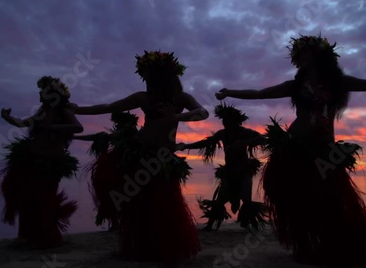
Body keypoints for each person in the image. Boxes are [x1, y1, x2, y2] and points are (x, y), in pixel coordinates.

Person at [215, 34, 366, 266]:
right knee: (297, 198)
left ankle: (334, 244)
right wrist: (229, 92)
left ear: (320, 56)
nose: (303, 59)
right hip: (296, 147)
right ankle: (305, 242)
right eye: (300, 56)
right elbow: (259, 93)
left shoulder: (338, 82)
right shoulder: (295, 86)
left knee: (330, 199)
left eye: (307, 54)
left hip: (325, 148)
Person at [69, 51, 208, 265]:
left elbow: (203, 113)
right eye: (146, 77)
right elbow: (108, 107)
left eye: (151, 77)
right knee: (139, 205)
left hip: (163, 158)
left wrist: (177, 116)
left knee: (163, 205)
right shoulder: (143, 98)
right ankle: (140, 247)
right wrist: (80, 110)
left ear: (165, 76)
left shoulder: (181, 98)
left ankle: (161, 247)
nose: (148, 81)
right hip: (140, 154)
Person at [0, 76, 84, 248]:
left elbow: (78, 127)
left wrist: (53, 128)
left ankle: (44, 237)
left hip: (50, 161)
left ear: (51, 93)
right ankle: (27, 236)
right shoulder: (41, 112)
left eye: (43, 90)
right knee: (27, 197)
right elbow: (23, 123)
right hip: (32, 159)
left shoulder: (63, 112)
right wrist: (6, 117)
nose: (39, 93)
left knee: (44, 198)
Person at [177, 103, 266, 231]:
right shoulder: (222, 134)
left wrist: (242, 143)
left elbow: (262, 138)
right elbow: (206, 143)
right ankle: (209, 225)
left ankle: (250, 225)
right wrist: (186, 146)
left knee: (246, 200)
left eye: (227, 120)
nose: (224, 122)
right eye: (224, 120)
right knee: (220, 200)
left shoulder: (245, 132)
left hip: (244, 171)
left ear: (235, 121)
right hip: (229, 171)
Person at [72, 111, 140, 231]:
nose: (119, 127)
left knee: (129, 198)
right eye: (118, 125)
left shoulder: (136, 138)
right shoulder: (113, 137)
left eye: (122, 125)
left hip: (129, 170)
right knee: (110, 197)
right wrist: (75, 137)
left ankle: (127, 223)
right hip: (115, 171)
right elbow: (96, 137)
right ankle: (115, 223)